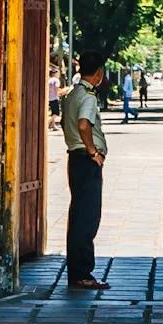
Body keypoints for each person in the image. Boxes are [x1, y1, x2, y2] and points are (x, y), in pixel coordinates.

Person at [59, 52, 111, 290]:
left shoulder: (72, 94)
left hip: (74, 158)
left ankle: (76, 271)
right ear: (98, 73)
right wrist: (92, 151)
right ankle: (82, 273)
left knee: (77, 215)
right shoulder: (88, 97)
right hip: (85, 159)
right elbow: (83, 124)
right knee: (88, 218)